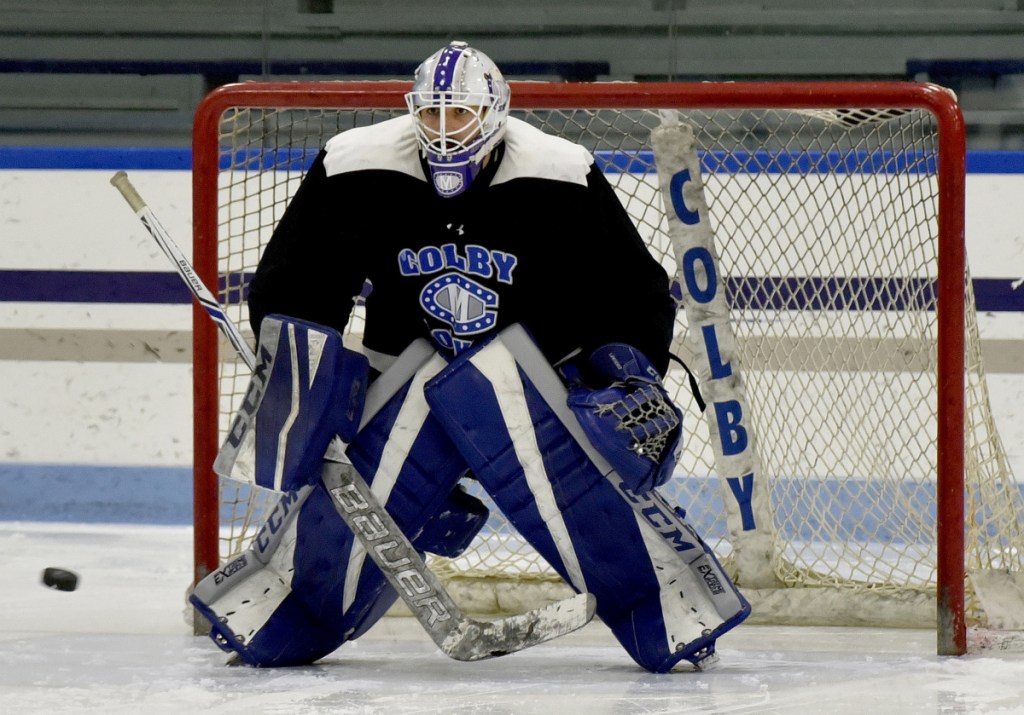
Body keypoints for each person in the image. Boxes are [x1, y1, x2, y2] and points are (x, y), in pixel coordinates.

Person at [191, 41, 748, 674]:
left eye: (462, 114)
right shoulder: (356, 166)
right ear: (413, 112)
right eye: (433, 114)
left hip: (532, 378)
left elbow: (631, 290)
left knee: (586, 495)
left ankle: (677, 616)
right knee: (343, 504)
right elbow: (294, 287)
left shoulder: (559, 173)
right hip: (404, 372)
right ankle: (275, 616)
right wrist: (310, 379)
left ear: (497, 112)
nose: (447, 129)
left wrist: (625, 369)